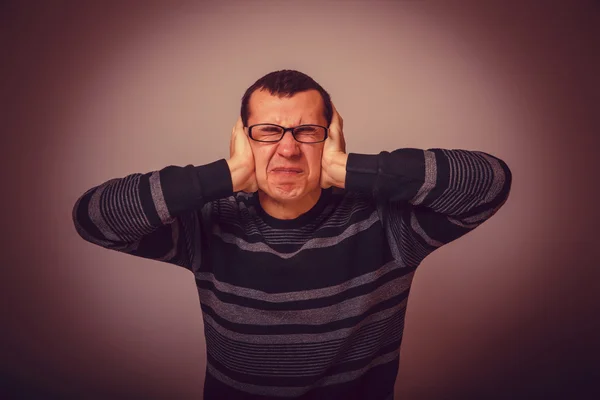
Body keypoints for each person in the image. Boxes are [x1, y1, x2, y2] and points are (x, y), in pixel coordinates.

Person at [72, 69, 512, 400]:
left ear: (331, 137)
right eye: (267, 132)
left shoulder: (388, 224)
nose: (287, 148)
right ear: (243, 140)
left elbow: (490, 181)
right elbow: (94, 218)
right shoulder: (208, 222)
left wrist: (344, 169)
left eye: (306, 131)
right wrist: (228, 174)